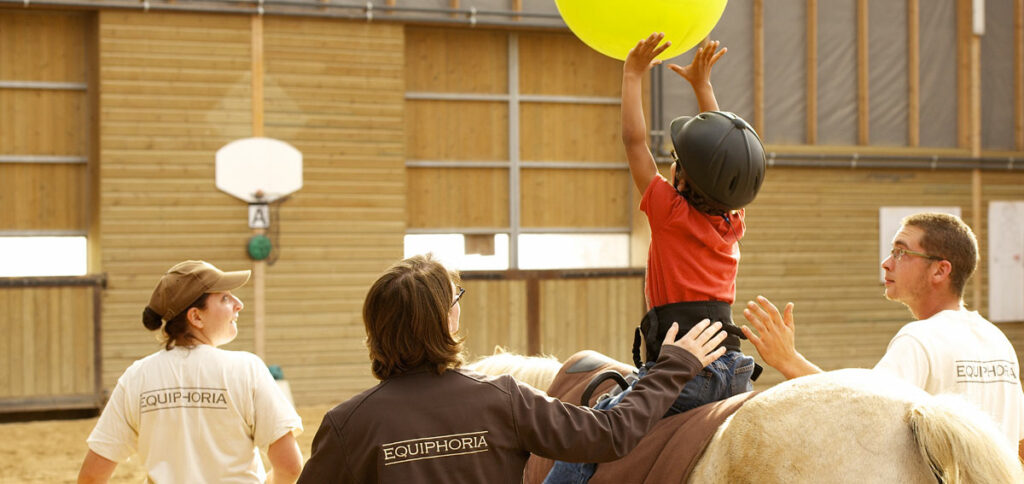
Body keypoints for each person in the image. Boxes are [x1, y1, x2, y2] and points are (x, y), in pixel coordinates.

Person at [544, 33, 767, 483]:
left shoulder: (669, 212)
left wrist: (632, 74)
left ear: (681, 177)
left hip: (684, 371)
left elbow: (633, 141)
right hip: (730, 367)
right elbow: (725, 162)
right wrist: (703, 86)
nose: (670, 161)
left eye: (677, 158)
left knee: (594, 431)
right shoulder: (732, 221)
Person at [296, 254, 728, 483]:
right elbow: (610, 433)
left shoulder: (347, 426)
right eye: (455, 300)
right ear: (447, 320)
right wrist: (674, 367)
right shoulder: (501, 399)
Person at [742, 212, 1024, 457]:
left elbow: (859, 413)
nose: (887, 263)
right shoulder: (997, 340)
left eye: (901, 252)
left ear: (940, 270)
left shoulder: (920, 339)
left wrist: (789, 361)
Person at [77, 260, 303, 484]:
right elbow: (290, 466)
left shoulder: (137, 377)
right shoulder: (246, 369)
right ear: (196, 317)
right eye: (225, 298)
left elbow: (91, 477)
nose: (238, 303)